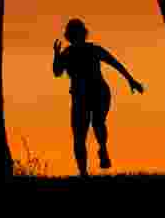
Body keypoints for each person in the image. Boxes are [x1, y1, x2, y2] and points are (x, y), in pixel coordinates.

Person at [53, 18, 144, 177]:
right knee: (87, 130)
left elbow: (114, 63)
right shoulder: (72, 52)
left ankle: (95, 157)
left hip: (96, 93)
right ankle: (90, 164)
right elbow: (57, 72)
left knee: (89, 128)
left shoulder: (85, 51)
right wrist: (56, 55)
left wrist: (131, 80)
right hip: (86, 95)